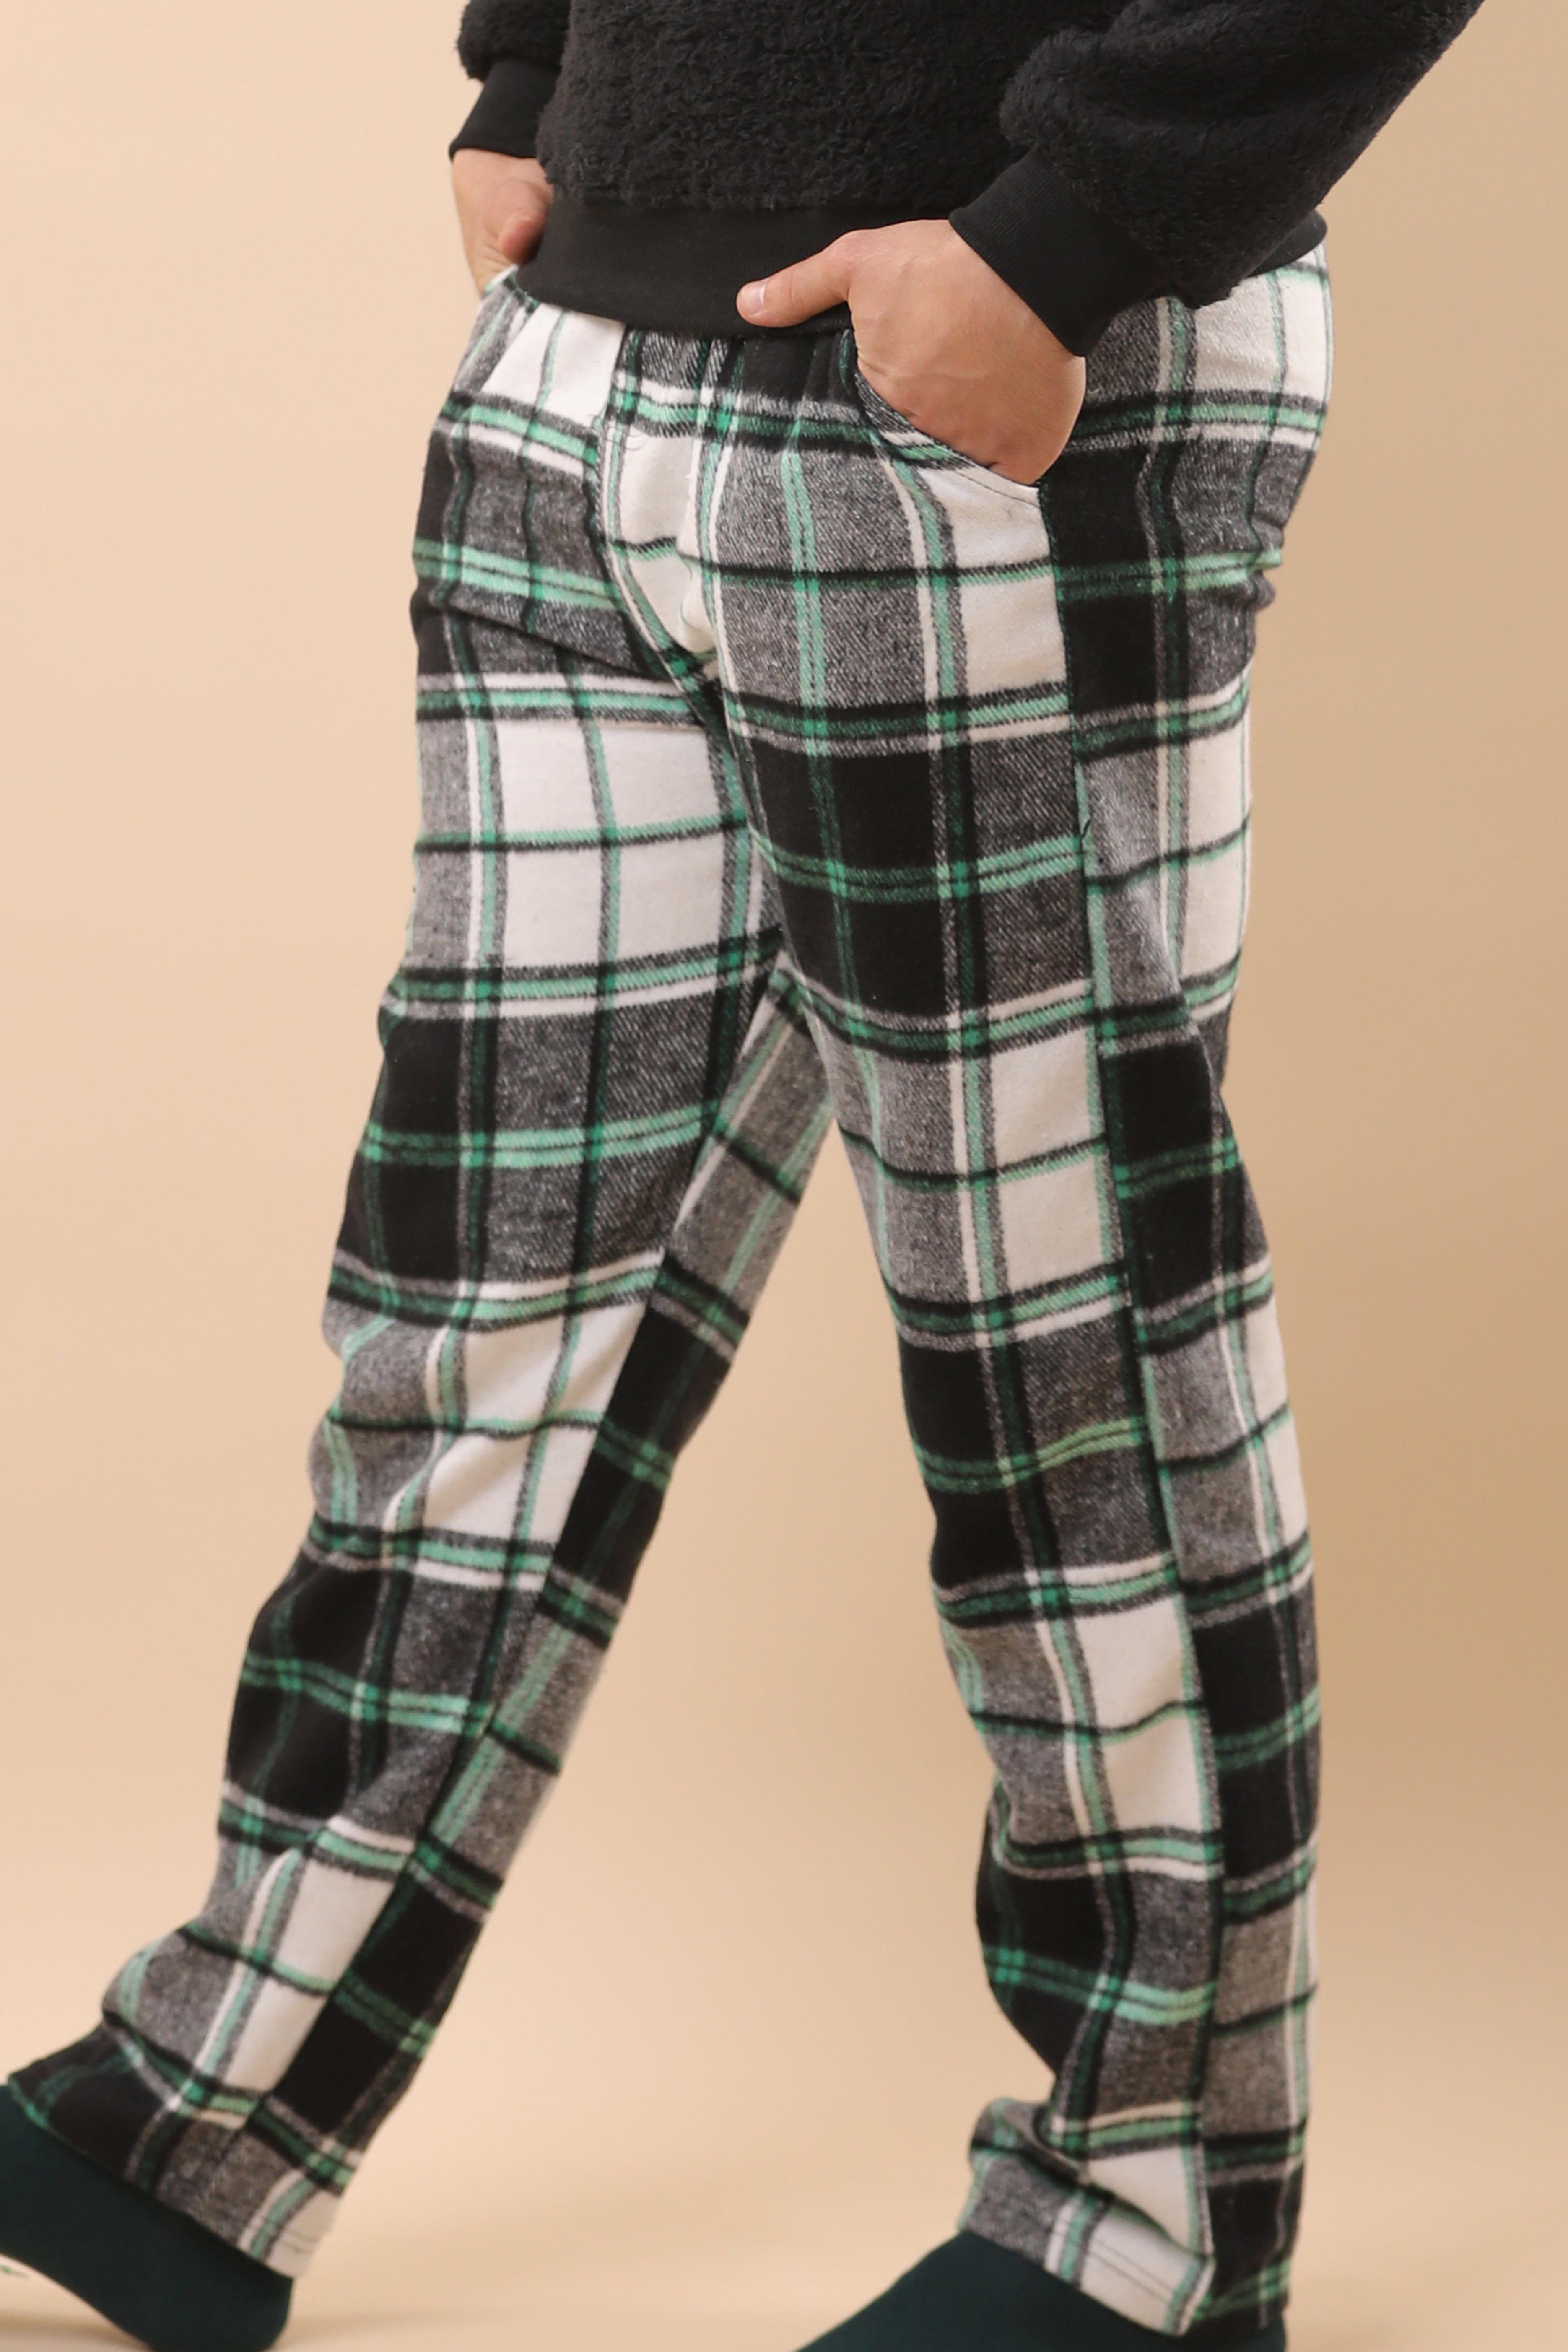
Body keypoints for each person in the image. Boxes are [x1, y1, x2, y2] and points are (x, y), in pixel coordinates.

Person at [0, 4, 1484, 2348]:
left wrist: (1068, 231)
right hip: (588, 350)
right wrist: (529, 75)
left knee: (1070, 1348)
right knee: (465, 1313)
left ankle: (1153, 2229)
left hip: (998, 379)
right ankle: (196, 2117)